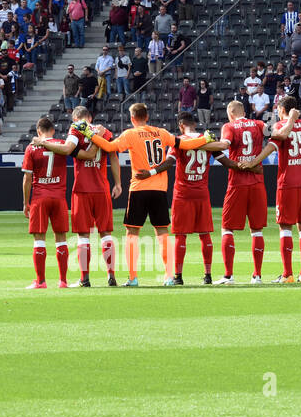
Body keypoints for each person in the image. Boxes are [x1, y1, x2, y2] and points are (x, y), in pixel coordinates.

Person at [88, 102, 178, 286]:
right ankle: (169, 276)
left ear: (132, 118)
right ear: (147, 116)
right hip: (159, 189)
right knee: (162, 232)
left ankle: (132, 278)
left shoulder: (130, 133)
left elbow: (110, 147)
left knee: (132, 233)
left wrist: (91, 135)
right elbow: (179, 143)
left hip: (139, 188)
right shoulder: (161, 132)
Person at [236, 98, 301, 282]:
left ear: (281, 109)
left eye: (277, 108)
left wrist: (253, 162)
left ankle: (288, 274)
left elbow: (271, 147)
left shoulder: (280, 124)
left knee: (285, 226)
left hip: (288, 183)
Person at [154, 111, 227, 285]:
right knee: (205, 235)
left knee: (180, 235)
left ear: (180, 125)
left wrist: (151, 172)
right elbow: (225, 159)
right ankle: (208, 275)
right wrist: (243, 166)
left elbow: (169, 162)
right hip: (202, 193)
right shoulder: (207, 140)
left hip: (183, 193)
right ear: (195, 124)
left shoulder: (179, 141)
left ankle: (178, 276)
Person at [62, 105, 121, 287]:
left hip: (81, 189)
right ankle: (111, 276)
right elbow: (113, 157)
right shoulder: (103, 131)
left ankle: (84, 278)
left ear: (76, 118)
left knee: (83, 236)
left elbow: (68, 148)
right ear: (89, 117)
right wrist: (118, 183)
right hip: (102, 188)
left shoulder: (75, 130)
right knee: (106, 234)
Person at [214, 100, 269, 284]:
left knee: (227, 228)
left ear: (230, 113)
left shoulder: (229, 126)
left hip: (237, 182)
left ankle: (228, 275)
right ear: (244, 111)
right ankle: (257, 275)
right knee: (257, 230)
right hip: (257, 182)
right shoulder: (259, 124)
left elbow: (223, 146)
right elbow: (276, 135)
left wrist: (206, 144)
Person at [20, 116, 75, 288]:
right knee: (61, 239)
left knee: (39, 239)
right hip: (59, 197)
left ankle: (41, 281)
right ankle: (63, 281)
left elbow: (27, 178)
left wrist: (25, 202)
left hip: (39, 197)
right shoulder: (62, 145)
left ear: (38, 131)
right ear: (53, 130)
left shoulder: (31, 148)